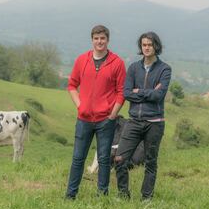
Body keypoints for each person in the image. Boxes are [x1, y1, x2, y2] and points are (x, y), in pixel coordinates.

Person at [65, 25, 126, 200]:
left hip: (106, 120)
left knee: (104, 159)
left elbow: (121, 92)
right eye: (96, 38)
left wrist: (113, 114)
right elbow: (71, 85)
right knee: (78, 158)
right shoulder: (82, 60)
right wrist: (80, 105)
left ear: (107, 40)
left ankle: (102, 196)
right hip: (83, 119)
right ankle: (70, 195)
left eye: (103, 38)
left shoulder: (117, 63)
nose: (99, 41)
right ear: (92, 40)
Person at [114, 31, 172, 200]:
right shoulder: (133, 68)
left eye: (150, 45)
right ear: (141, 47)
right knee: (119, 158)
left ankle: (146, 198)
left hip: (154, 123)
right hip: (133, 121)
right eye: (144, 45)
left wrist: (139, 92)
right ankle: (123, 195)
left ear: (156, 46)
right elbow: (126, 93)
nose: (147, 48)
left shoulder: (164, 69)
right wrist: (148, 92)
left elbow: (158, 96)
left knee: (150, 162)